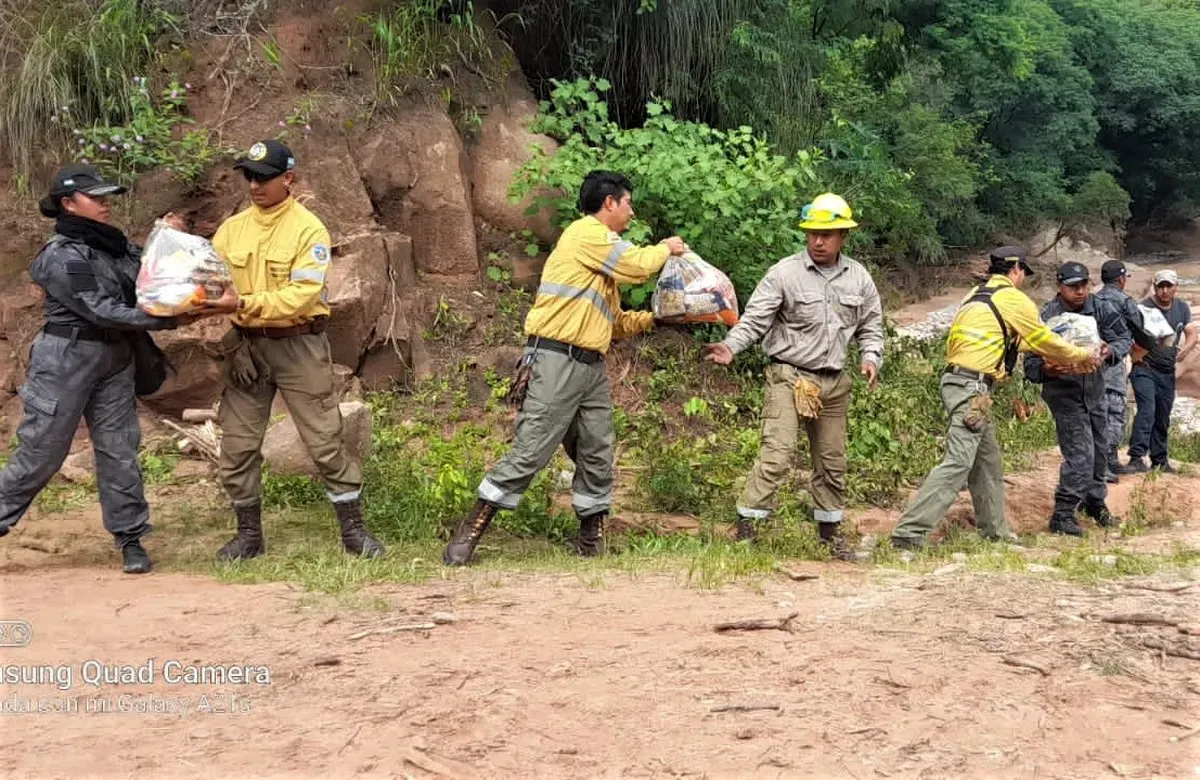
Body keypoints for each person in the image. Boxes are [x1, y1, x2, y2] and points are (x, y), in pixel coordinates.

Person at [441, 170, 686, 566]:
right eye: (628, 203)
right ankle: (469, 532)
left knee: (596, 449)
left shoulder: (600, 258)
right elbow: (638, 266)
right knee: (532, 447)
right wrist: (666, 248)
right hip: (557, 360)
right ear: (609, 203)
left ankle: (592, 540)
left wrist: (656, 319)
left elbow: (613, 322)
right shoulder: (587, 234)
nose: (632, 211)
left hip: (589, 366)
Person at [0, 164, 200, 573]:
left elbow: (149, 276)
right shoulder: (61, 255)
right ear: (68, 204)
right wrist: (169, 320)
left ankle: (131, 539)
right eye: (97, 197)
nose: (106, 204)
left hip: (114, 358)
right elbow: (100, 309)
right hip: (66, 360)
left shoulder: (114, 245)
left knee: (119, 451)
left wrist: (170, 240)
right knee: (41, 454)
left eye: (108, 196)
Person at [201, 139, 384, 560]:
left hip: (298, 344)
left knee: (324, 439)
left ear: (289, 178)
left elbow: (302, 295)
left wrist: (243, 304)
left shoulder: (308, 229)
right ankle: (249, 536)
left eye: (264, 178)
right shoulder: (232, 230)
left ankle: (354, 533)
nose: (254, 186)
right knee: (238, 444)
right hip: (246, 348)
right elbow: (210, 280)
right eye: (249, 176)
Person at [703, 193, 883, 561]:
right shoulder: (784, 273)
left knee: (832, 462)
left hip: (834, 384)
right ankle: (746, 534)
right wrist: (732, 347)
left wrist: (870, 357)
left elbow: (871, 325)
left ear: (843, 236)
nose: (818, 241)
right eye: (813, 233)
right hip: (789, 377)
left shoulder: (859, 278)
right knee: (777, 454)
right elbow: (755, 319)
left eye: (827, 234)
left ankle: (830, 538)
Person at [890, 247, 1097, 550]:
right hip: (971, 387)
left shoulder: (975, 295)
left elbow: (1010, 341)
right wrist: (1081, 354)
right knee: (959, 461)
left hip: (965, 383)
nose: (1023, 278)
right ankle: (908, 533)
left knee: (987, 463)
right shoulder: (1012, 298)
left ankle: (995, 533)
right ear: (1015, 270)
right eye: (1024, 272)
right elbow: (1041, 339)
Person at [1024, 262, 1130, 536]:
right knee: (1080, 454)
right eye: (1073, 287)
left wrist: (1108, 352)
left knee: (1101, 448)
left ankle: (1094, 502)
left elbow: (1123, 338)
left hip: (1095, 389)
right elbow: (1031, 365)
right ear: (1060, 287)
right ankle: (1063, 512)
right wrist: (1048, 369)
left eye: (1083, 285)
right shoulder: (1047, 315)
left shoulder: (1100, 308)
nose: (1080, 292)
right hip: (1064, 394)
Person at [1124, 268, 1197, 473]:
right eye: (1160, 286)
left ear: (1176, 287)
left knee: (1163, 415)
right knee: (1147, 410)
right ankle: (1136, 456)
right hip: (1144, 368)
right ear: (1154, 288)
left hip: (1167, 371)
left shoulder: (1182, 307)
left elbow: (1191, 333)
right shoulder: (1143, 308)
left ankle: (1160, 459)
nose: (1164, 291)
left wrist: (1183, 352)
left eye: (1168, 286)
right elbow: (1130, 336)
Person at [1094, 260, 1156, 482]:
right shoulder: (1125, 302)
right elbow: (1140, 330)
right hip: (1114, 362)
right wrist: (1153, 343)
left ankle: (1106, 461)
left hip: (1091, 362)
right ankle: (1105, 464)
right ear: (1121, 279)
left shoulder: (1092, 299)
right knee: (1115, 413)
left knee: (1098, 411)